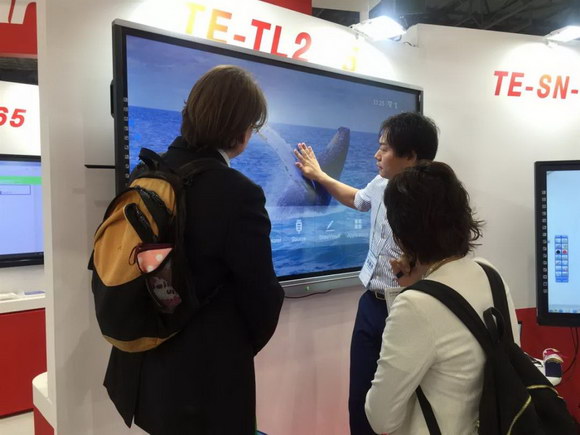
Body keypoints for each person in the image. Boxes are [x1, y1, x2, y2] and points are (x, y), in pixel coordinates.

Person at [104, 65, 285, 434]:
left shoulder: (145, 173)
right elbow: (262, 295)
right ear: (241, 130)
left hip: (142, 369)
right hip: (203, 381)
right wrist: (234, 349)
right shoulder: (238, 192)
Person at [293, 112, 439, 435]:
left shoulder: (434, 201)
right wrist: (319, 175)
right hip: (371, 303)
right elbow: (357, 199)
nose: (376, 155)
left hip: (406, 308)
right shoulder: (381, 183)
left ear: (411, 156)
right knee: (360, 399)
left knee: (405, 402)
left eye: (384, 149)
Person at [364, 161, 520, 434]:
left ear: (401, 236)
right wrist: (420, 282)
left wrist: (416, 289)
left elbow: (381, 418)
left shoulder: (414, 305)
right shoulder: (489, 274)